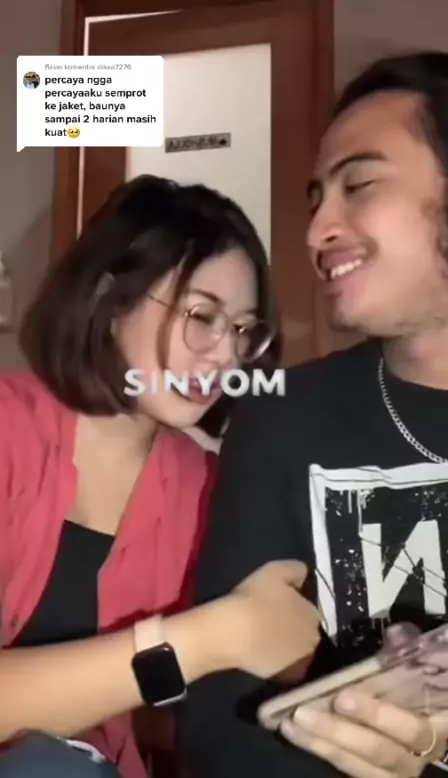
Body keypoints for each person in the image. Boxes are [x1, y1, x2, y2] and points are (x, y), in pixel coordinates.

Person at [0, 175, 322, 777]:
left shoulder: (206, 483)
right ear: (111, 303)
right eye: (203, 316)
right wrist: (205, 639)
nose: (226, 355)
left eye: (243, 330)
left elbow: (238, 679)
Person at [181, 51, 448, 778]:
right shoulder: (281, 422)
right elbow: (220, 718)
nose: (316, 231)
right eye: (316, 200)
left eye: (359, 185)